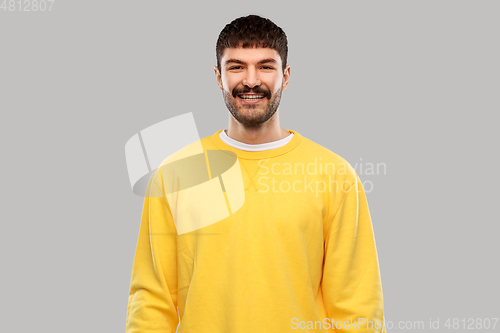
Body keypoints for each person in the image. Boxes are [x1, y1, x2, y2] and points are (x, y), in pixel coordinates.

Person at [126, 14, 387, 333]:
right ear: (218, 77)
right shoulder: (176, 173)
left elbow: (358, 308)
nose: (251, 80)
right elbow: (152, 300)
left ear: (286, 75)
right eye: (236, 66)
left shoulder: (333, 175)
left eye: (266, 66)